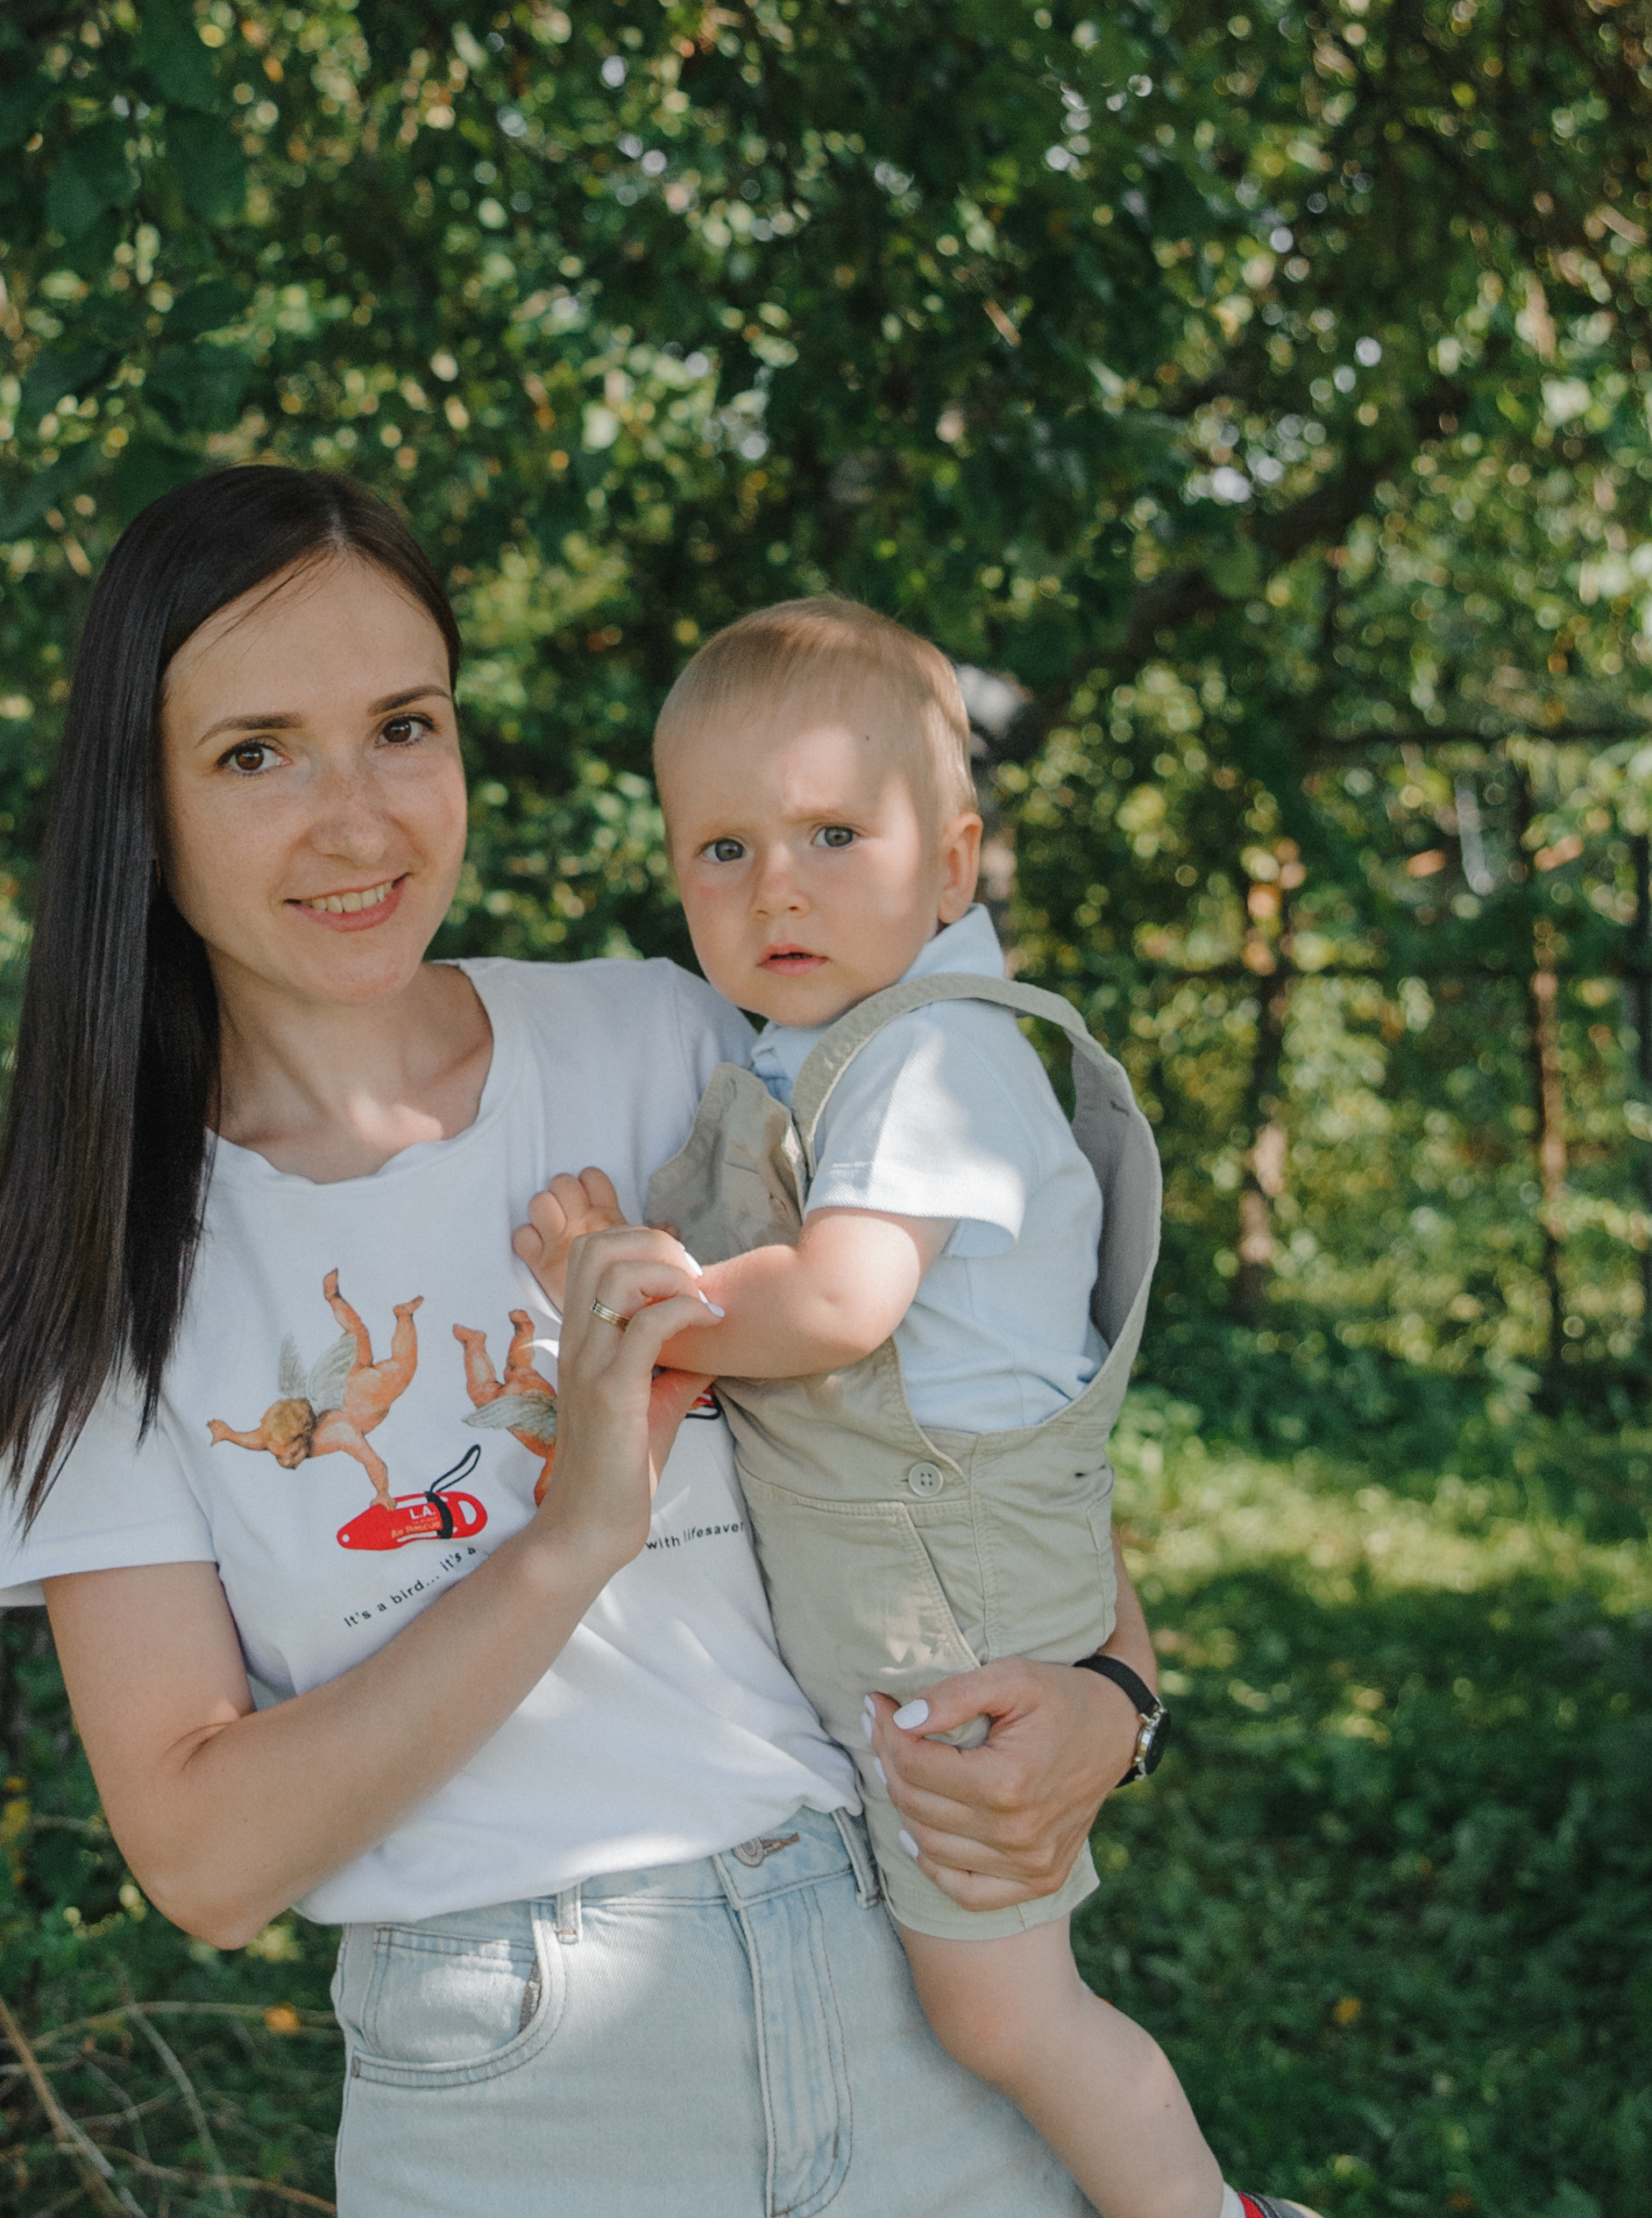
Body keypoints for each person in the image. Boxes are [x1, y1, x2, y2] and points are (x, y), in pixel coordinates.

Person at [0, 465, 1175, 2216]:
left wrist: (1113, 1699)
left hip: (909, 1999)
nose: (355, 818)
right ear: (140, 798)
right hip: (527, 2094)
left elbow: (973, 1415)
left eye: (401, 726)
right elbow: (202, 1859)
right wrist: (569, 1537)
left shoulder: (670, 1039)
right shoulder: (97, 1288)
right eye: (255, 751)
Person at [514, 598, 1316, 2218]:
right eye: (721, 851)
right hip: (898, 1575)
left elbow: (835, 1303)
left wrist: (626, 1289)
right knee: (958, 1986)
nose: (777, 885)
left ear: (953, 868)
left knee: (1003, 2004)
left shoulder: (937, 1058)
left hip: (952, 1595)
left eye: (829, 831)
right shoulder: (819, 1057)